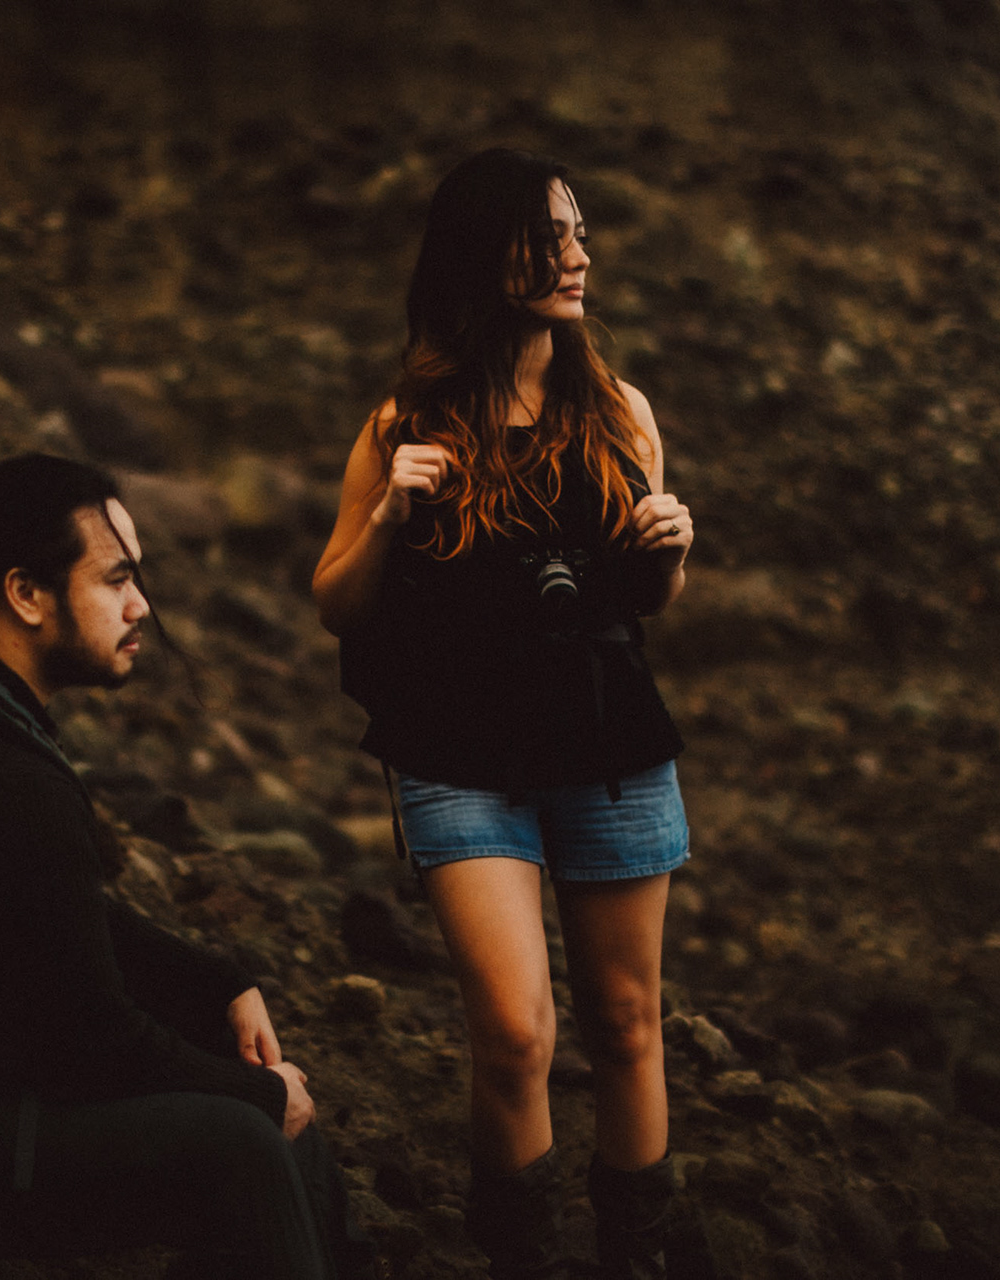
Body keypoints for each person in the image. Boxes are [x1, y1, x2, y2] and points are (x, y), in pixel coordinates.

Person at [313, 149, 709, 1279]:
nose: (579, 257)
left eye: (580, 233)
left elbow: (643, 605)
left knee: (626, 1022)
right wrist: (388, 515)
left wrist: (668, 555)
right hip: (458, 753)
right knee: (516, 1032)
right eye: (552, 236)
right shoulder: (406, 420)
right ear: (487, 257)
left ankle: (634, 1255)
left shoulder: (622, 413)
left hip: (608, 742)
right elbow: (336, 601)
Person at [0, 452, 372, 1278]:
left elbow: (61, 916)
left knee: (247, 1080)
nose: (140, 605)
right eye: (115, 580)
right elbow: (93, 1040)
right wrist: (262, 1096)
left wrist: (222, 982)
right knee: (247, 1136)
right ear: (26, 594)